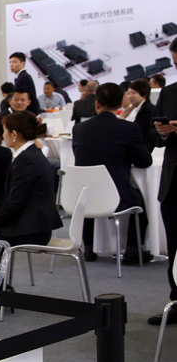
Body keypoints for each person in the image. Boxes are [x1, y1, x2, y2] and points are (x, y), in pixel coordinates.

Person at [73, 82, 152, 264]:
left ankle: (88, 248)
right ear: (120, 104)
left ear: (96, 103)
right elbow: (144, 161)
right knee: (142, 202)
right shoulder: (129, 129)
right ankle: (132, 250)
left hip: (85, 195)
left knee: (89, 187)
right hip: (118, 195)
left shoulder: (79, 129)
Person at [0, 111, 62, 246]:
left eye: (5, 131)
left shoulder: (26, 160)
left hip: (31, 230)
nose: (3, 135)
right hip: (34, 226)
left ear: (14, 134)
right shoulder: (32, 153)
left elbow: (14, 202)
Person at [151, 42, 177, 322]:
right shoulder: (168, 93)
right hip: (173, 180)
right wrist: (163, 132)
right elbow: (155, 137)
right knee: (175, 246)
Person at [119, 78, 155, 142]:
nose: (130, 96)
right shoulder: (136, 109)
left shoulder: (146, 110)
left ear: (144, 94)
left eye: (134, 93)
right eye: (128, 93)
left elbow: (134, 132)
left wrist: (122, 117)